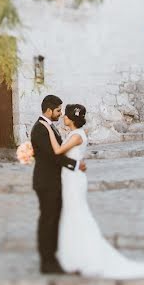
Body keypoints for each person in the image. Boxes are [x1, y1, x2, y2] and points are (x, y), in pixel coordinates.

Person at [40, 103, 144, 279]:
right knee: (70, 215)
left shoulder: (76, 136)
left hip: (74, 180)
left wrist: (48, 127)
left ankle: (85, 255)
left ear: (71, 118)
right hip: (70, 177)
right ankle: (73, 256)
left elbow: (58, 151)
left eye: (65, 115)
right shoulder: (75, 134)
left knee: (77, 214)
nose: (63, 117)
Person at [30, 95, 86, 274]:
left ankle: (53, 257)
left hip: (54, 181)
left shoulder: (48, 127)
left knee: (53, 219)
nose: (61, 113)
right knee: (48, 219)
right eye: (58, 110)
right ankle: (47, 262)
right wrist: (74, 165)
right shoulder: (40, 128)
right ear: (48, 110)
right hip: (46, 182)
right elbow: (53, 155)